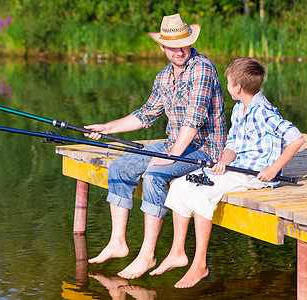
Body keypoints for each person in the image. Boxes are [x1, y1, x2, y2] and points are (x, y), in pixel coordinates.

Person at [84, 13, 227, 279]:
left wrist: (170, 157)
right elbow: (145, 114)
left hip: (206, 149)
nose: (179, 50)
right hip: (176, 143)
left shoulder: (202, 69)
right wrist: (107, 127)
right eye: (172, 46)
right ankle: (118, 242)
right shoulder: (163, 78)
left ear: (190, 42)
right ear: (162, 47)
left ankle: (148, 255)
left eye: (184, 43)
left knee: (155, 174)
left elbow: (193, 123)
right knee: (120, 166)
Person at [150, 57, 305, 288]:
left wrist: (273, 168)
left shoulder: (262, 111)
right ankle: (177, 252)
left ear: (237, 87)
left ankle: (200, 264)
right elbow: (232, 144)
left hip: (253, 174)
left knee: (201, 194)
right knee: (181, 184)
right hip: (234, 167)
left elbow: (296, 138)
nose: (227, 86)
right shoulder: (239, 109)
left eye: (229, 82)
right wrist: (222, 161)